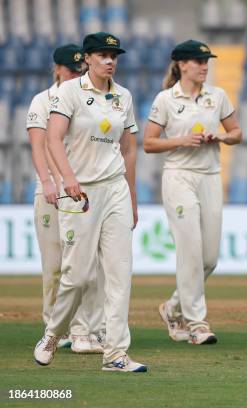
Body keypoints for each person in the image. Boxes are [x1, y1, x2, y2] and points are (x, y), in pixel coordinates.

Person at [33, 32, 146, 372]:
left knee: (118, 274)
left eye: (114, 55)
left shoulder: (123, 96)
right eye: (102, 55)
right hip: (80, 192)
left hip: (114, 190)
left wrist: (133, 197)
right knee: (78, 276)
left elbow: (128, 149)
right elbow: (53, 139)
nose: (110, 60)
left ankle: (115, 354)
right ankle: (53, 334)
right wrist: (67, 178)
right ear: (87, 59)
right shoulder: (69, 92)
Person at [143, 40, 242, 345]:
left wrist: (222, 137)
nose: (204, 66)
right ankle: (197, 323)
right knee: (190, 253)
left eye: (206, 61)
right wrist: (182, 141)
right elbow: (149, 143)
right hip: (179, 178)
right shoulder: (165, 99)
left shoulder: (218, 95)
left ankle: (172, 308)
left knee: (209, 258)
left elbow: (238, 133)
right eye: (198, 61)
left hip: (210, 177)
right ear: (182, 65)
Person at [27, 44, 105, 354]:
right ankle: (53, 329)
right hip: (50, 190)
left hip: (81, 189)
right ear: (58, 69)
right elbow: (40, 145)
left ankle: (85, 330)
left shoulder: (85, 98)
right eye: (71, 70)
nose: (76, 74)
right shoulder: (42, 100)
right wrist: (47, 181)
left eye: (80, 70)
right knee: (55, 266)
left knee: (86, 264)